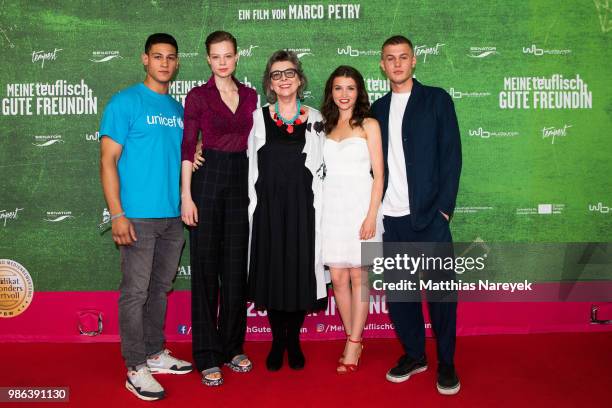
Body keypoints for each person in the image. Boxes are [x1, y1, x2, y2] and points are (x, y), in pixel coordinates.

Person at [99, 33, 192, 402]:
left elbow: (180, 158)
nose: (164, 63)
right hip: (136, 216)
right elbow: (108, 161)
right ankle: (135, 366)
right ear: (144, 59)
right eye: (157, 57)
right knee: (135, 293)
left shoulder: (179, 110)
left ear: (177, 62)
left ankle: (154, 353)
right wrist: (117, 213)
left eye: (170, 57)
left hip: (172, 217)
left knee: (160, 289)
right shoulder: (125, 102)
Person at [370, 35, 462, 395]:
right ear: (382, 64)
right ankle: (414, 355)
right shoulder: (376, 109)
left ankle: (448, 362)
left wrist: (444, 211)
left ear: (414, 60)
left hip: (430, 218)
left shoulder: (437, 100)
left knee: (441, 296)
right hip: (392, 220)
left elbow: (451, 158)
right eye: (390, 58)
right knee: (400, 297)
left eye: (403, 57)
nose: (397, 64)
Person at [181, 31, 258, 387]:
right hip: (207, 178)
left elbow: (258, 142)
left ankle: (232, 347)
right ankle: (207, 354)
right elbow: (186, 147)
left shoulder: (251, 96)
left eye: (228, 55)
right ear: (208, 59)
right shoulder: (197, 96)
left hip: (241, 179)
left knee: (234, 270)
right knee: (206, 270)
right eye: (216, 56)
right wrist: (186, 196)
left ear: (237, 56)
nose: (223, 62)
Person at [247, 50, 327, 371]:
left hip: (303, 209)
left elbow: (326, 166)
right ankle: (276, 341)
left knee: (297, 274)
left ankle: (292, 341)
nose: (283, 79)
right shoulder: (258, 118)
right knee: (273, 274)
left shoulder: (317, 118)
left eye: (289, 73)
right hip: (268, 209)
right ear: (269, 82)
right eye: (276, 74)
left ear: (299, 78)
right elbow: (245, 161)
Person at [320, 66, 384, 374]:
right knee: (339, 278)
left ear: (359, 92)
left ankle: (354, 343)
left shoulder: (369, 124)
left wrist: (372, 214)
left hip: (362, 209)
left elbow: (379, 176)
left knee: (360, 277)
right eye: (338, 88)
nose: (344, 94)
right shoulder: (324, 126)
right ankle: (352, 336)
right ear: (331, 93)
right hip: (332, 210)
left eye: (350, 88)